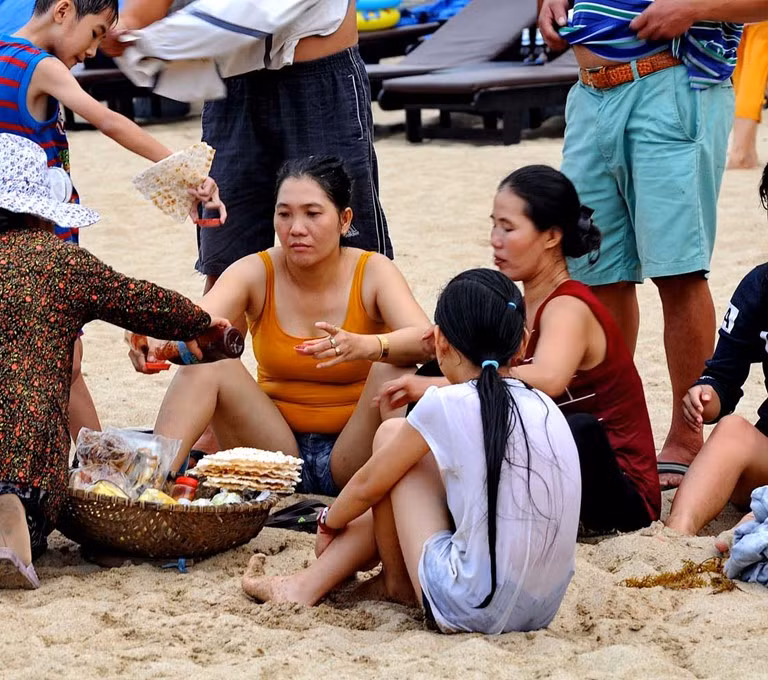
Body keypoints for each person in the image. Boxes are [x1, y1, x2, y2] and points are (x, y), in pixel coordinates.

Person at [0, 134, 228, 588]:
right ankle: (8, 518)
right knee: (20, 514)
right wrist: (201, 321)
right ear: (37, 207)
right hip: (10, 459)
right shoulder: (61, 262)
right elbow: (143, 300)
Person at [0, 0, 224, 441]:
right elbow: (109, 121)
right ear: (62, 11)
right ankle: (96, 470)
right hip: (44, 222)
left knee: (41, 349)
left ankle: (87, 461)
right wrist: (186, 170)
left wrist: (1, 134)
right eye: (96, 32)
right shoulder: (41, 67)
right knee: (67, 354)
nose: (94, 49)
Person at [242, 269, 582, 635]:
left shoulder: (447, 402)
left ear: (440, 343)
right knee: (410, 463)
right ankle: (310, 584)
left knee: (391, 437)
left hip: (467, 605)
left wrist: (327, 521)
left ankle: (386, 582)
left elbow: (368, 485)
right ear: (523, 344)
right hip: (541, 610)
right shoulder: (545, 405)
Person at [538, 0, 768, 490]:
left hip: (672, 84)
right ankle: (622, 434)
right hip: (588, 94)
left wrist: (695, 8)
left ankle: (686, 438)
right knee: (596, 277)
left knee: (677, 271)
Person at [378, 166, 661, 535]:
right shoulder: (517, 300)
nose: (495, 240)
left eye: (509, 228)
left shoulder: (567, 306)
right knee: (435, 367)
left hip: (618, 490)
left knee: (577, 428)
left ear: (551, 236)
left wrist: (443, 389)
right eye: (494, 225)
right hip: (548, 464)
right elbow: (440, 338)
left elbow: (548, 378)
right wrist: (366, 346)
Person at [128, 155, 430, 492]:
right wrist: (152, 337)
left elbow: (430, 341)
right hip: (274, 455)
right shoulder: (256, 271)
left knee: (393, 368)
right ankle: (144, 490)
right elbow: (196, 320)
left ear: (345, 220)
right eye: (284, 214)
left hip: (354, 455)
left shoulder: (373, 271)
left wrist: (368, 346)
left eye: (312, 214)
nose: (296, 228)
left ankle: (390, 499)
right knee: (208, 366)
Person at [104, 0, 391, 295]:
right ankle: (211, 338)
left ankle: (370, 341)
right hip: (231, 83)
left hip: (317, 70)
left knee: (347, 256)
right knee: (226, 261)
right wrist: (129, 24)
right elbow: (137, 17)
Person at [665, 163, 768, 538]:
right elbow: (723, 375)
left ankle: (759, 519)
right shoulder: (760, 287)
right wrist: (704, 396)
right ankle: (676, 535)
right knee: (730, 431)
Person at [727, 22, 768, 169]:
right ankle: (741, 153)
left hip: (738, 14)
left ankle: (748, 152)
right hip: (761, 14)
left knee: (741, 82)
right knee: (752, 82)